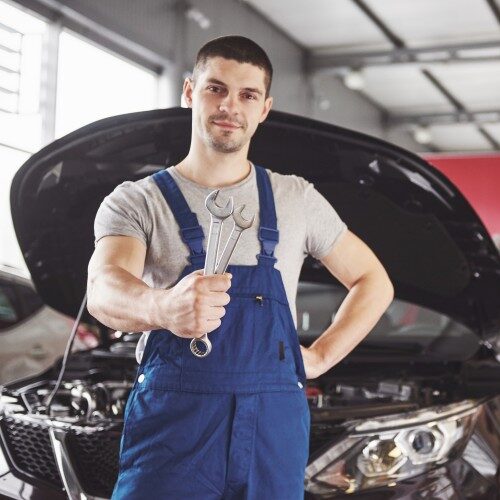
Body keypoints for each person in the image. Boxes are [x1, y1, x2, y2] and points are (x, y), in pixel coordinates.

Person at [87, 35, 394, 500]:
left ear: (264, 108)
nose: (230, 106)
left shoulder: (296, 198)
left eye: (247, 95)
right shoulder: (138, 200)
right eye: (216, 89)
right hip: (176, 425)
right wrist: (164, 307)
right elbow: (105, 289)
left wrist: (321, 356)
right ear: (190, 92)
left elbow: (373, 281)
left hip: (274, 424)